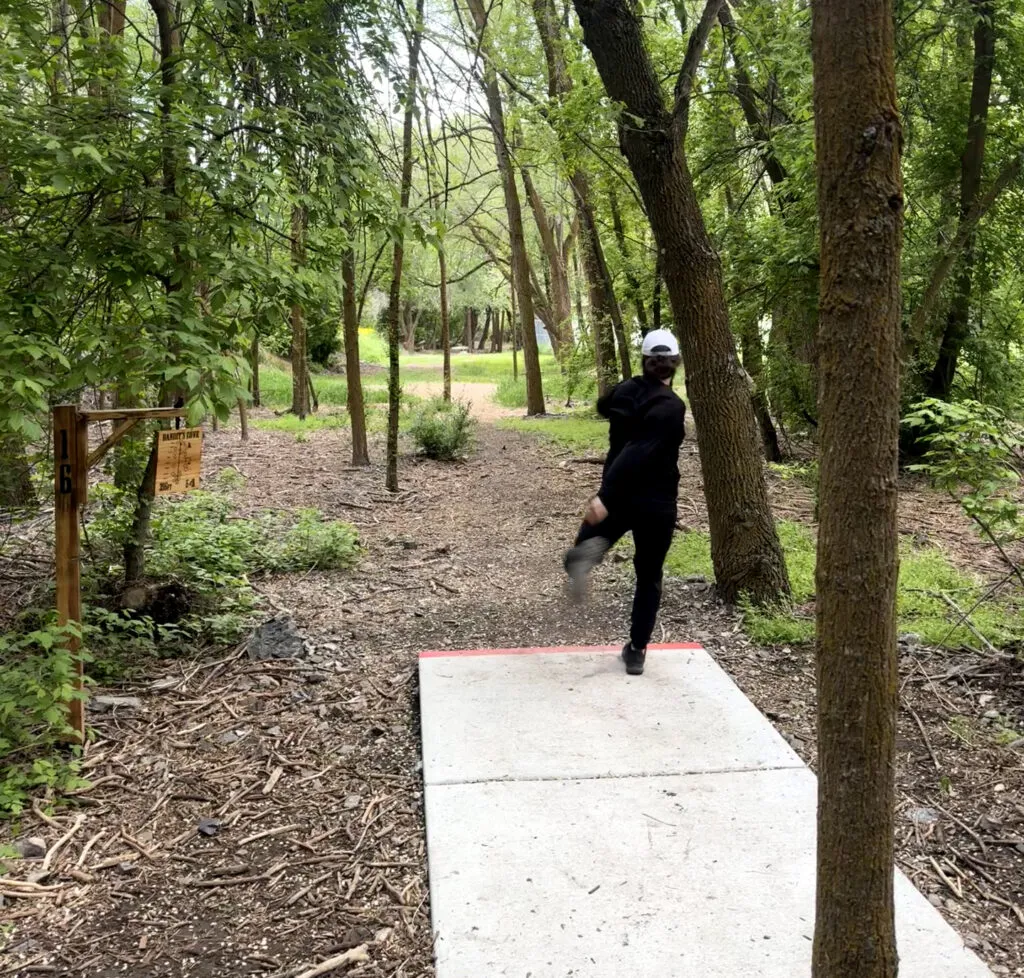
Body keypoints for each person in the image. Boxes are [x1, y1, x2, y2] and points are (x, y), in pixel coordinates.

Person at [564, 329, 686, 676]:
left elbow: (604, 406)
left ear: (644, 362)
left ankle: (582, 559)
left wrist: (605, 497)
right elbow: (640, 451)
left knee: (583, 548)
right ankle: (637, 650)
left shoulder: (625, 392)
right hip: (654, 502)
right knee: (649, 576)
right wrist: (606, 497)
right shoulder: (672, 407)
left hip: (619, 497)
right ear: (675, 364)